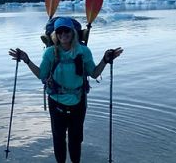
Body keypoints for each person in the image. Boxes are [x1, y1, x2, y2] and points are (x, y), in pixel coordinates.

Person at [8, 17, 123, 163]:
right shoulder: (50, 52)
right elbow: (41, 74)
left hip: (78, 101)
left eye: (66, 30)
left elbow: (93, 73)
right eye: (59, 31)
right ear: (55, 34)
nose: (63, 34)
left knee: (76, 139)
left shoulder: (83, 51)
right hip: (56, 102)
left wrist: (105, 60)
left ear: (73, 32)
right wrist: (27, 60)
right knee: (58, 138)